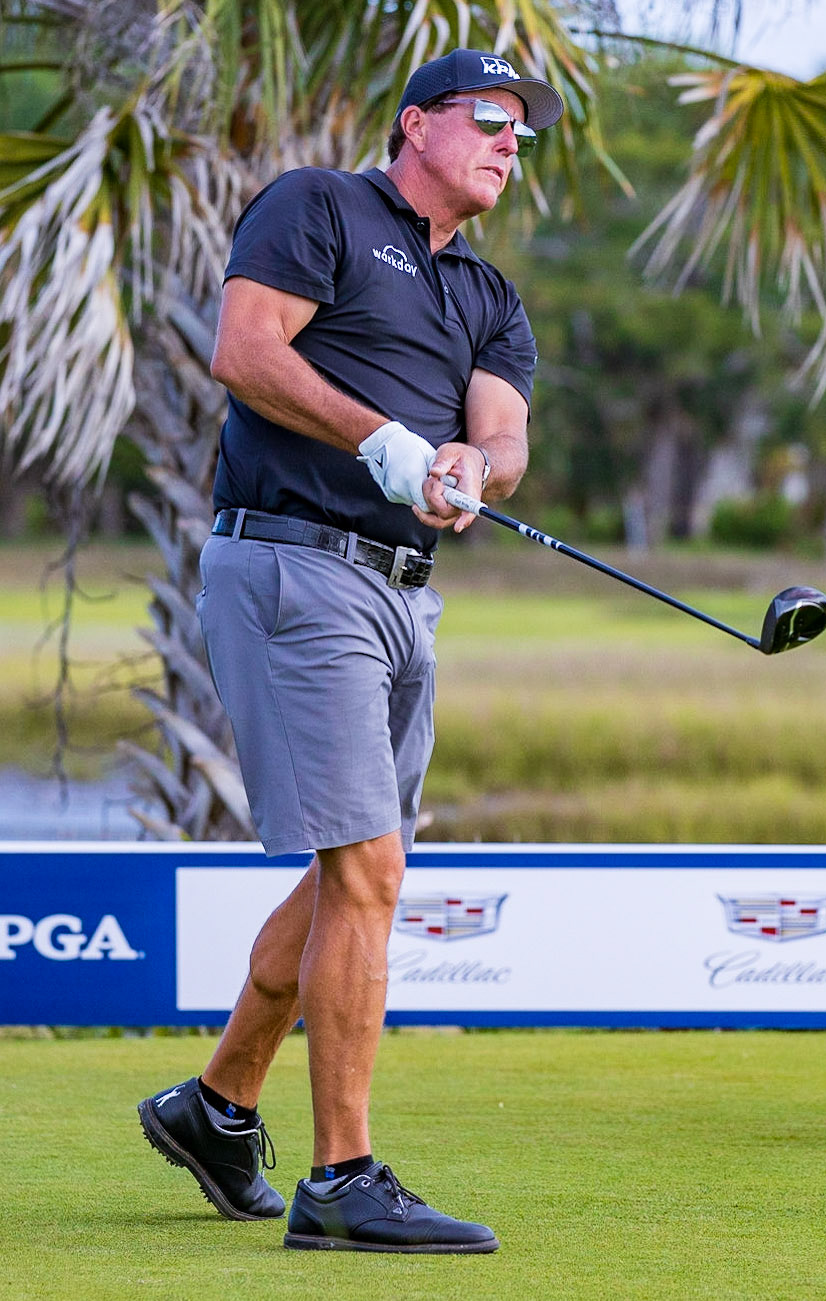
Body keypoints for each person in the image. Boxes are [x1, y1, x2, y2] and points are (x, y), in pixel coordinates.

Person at [135, 49, 563, 1253]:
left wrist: (474, 464)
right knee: (367, 863)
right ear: (417, 123)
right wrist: (382, 439)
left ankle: (217, 1105)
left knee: (353, 870)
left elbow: (506, 435)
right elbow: (246, 350)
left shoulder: (489, 295)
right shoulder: (320, 207)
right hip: (293, 563)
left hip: (404, 595)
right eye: (490, 118)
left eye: (523, 131)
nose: (510, 143)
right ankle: (341, 1180)